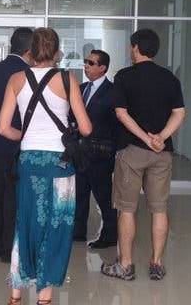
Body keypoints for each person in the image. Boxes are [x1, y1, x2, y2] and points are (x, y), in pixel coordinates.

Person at [0, 27, 92, 305]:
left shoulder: (16, 79)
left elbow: (3, 128)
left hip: (28, 162)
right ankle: (44, 297)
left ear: (31, 49)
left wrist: (26, 137)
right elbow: (86, 128)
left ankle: (16, 294)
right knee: (56, 226)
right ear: (56, 50)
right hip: (60, 164)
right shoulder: (67, 79)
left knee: (25, 221)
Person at [101, 28, 185, 282]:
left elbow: (121, 113)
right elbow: (179, 112)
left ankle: (125, 266)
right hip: (162, 152)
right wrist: (160, 137)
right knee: (159, 209)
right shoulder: (169, 77)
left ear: (136, 47)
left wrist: (145, 138)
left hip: (132, 151)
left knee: (127, 209)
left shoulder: (124, 76)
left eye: (131, 46)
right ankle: (156, 264)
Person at [0, 27, 33, 263]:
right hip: (16, 141)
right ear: (29, 50)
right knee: (13, 197)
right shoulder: (26, 74)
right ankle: (7, 250)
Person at [73, 49, 118, 249]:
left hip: (101, 153)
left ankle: (110, 235)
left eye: (91, 63)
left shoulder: (112, 91)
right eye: (86, 62)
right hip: (80, 151)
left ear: (103, 68)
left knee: (104, 197)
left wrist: (112, 149)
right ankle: (77, 233)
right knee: (79, 194)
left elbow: (116, 124)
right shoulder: (81, 88)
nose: (86, 66)